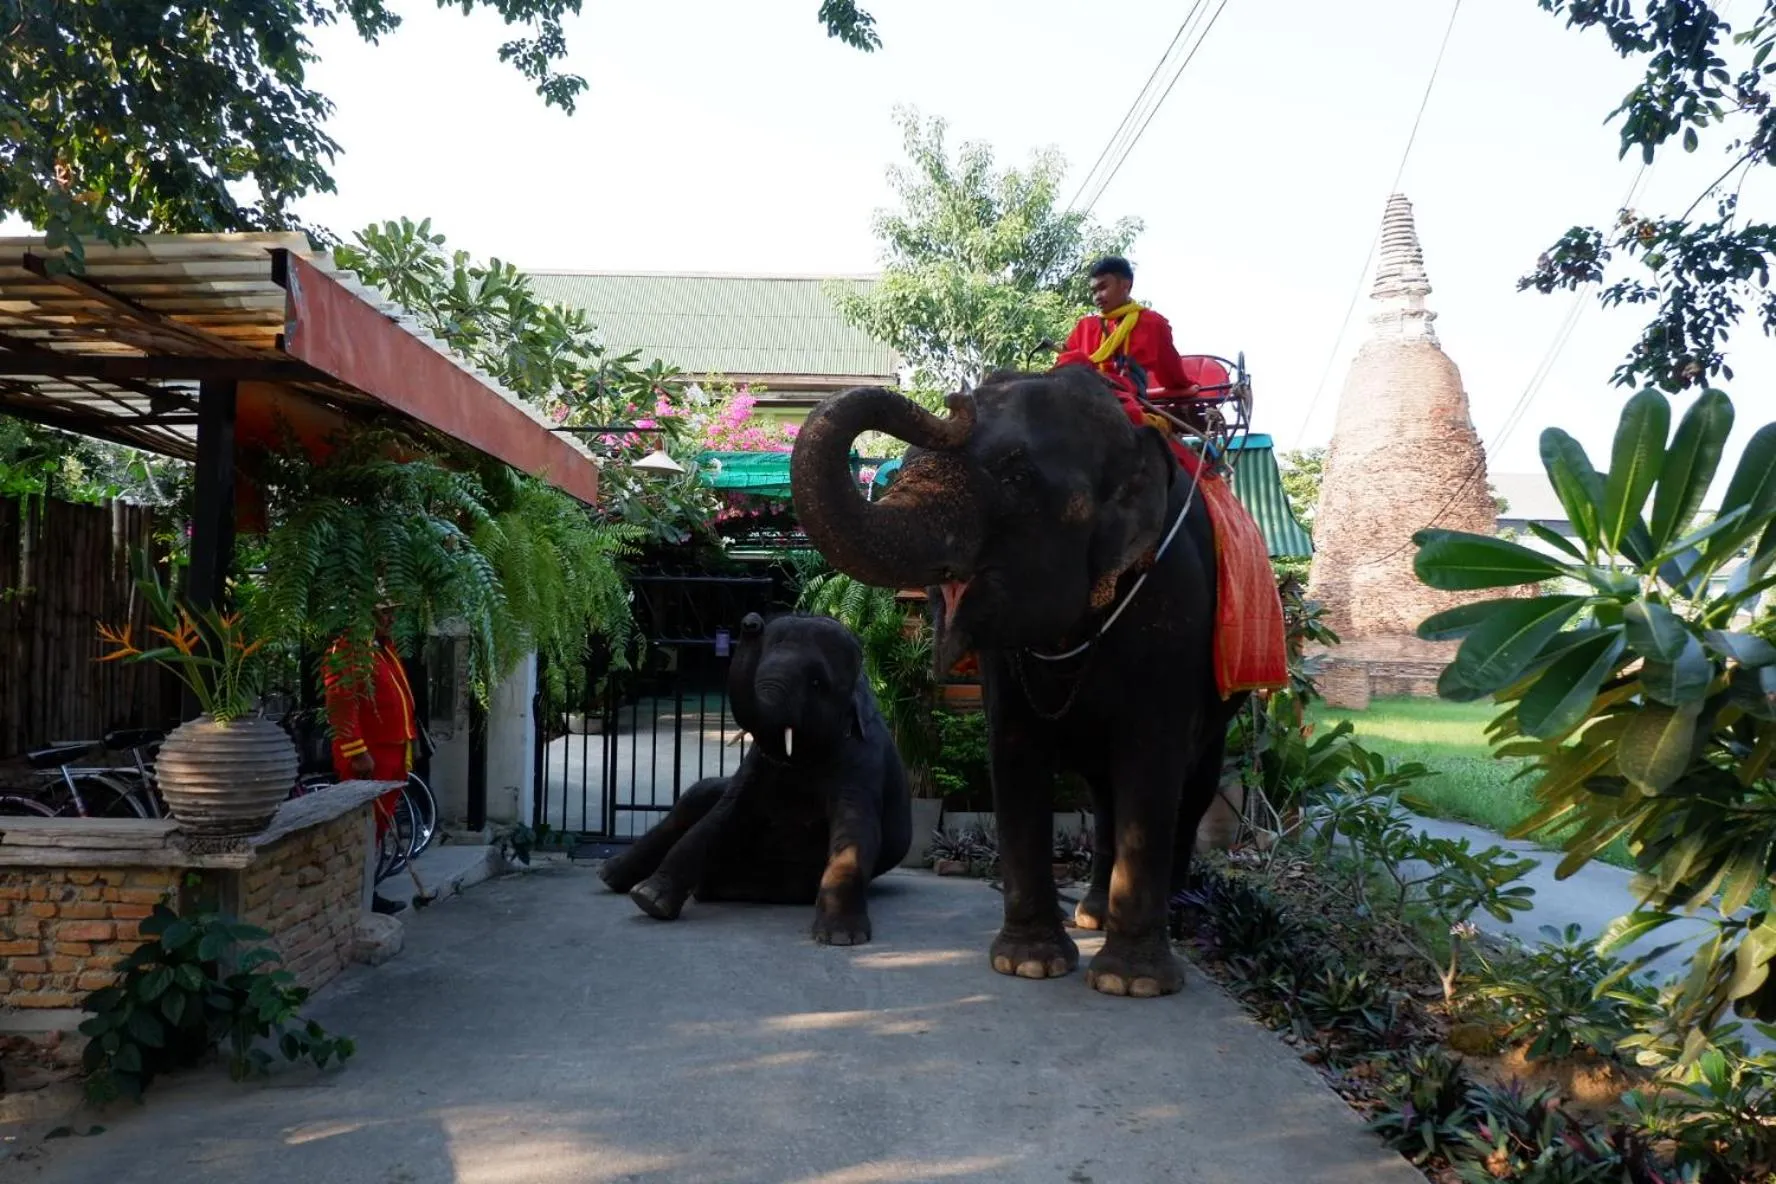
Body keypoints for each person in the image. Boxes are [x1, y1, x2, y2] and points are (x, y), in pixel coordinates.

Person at [323, 602, 417, 915]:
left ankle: (368, 891)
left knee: (377, 829)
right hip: (369, 755)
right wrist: (357, 751)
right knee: (365, 828)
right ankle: (359, 896)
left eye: (392, 612)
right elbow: (341, 704)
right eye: (383, 613)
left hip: (390, 750)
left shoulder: (383, 649)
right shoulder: (347, 650)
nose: (391, 618)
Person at [1055, 256, 1202, 402]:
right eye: (1094, 291)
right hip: (1081, 394)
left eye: (1103, 287)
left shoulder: (1153, 323)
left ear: (1125, 285)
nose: (1097, 297)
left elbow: (1170, 372)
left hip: (1127, 401)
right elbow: (1063, 369)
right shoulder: (1085, 326)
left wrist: (1184, 387)